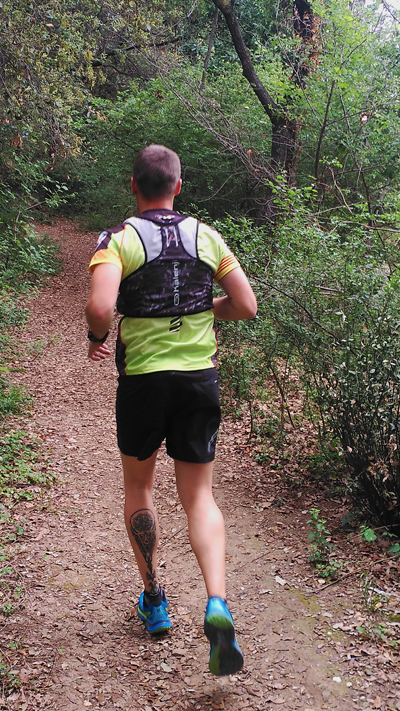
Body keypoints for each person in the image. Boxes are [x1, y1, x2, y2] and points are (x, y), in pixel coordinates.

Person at [85, 144, 257, 677]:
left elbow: (99, 305)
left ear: (133, 186)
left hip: (143, 384)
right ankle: (217, 603)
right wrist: (203, 307)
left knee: (139, 489)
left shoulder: (118, 241)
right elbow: (246, 306)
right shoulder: (207, 237)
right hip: (198, 381)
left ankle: (154, 601)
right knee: (199, 496)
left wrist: (97, 335)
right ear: (178, 186)